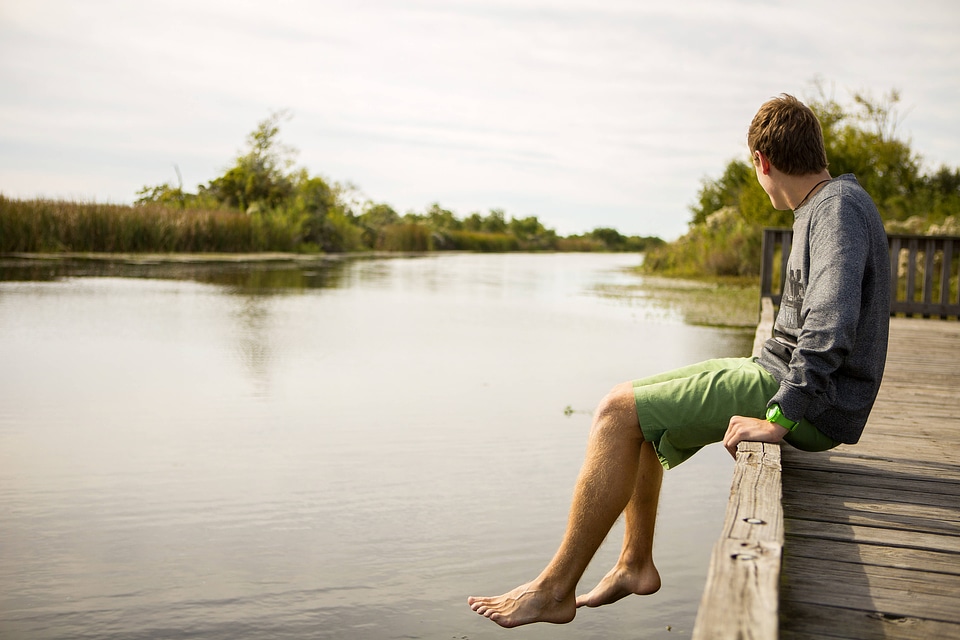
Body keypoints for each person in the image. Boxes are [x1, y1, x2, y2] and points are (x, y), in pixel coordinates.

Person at [467, 94, 891, 628]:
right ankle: (635, 562)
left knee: (613, 414)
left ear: (762, 161)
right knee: (629, 405)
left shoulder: (835, 210)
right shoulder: (832, 203)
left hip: (804, 399)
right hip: (786, 379)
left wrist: (780, 417)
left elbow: (830, 324)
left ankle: (554, 589)